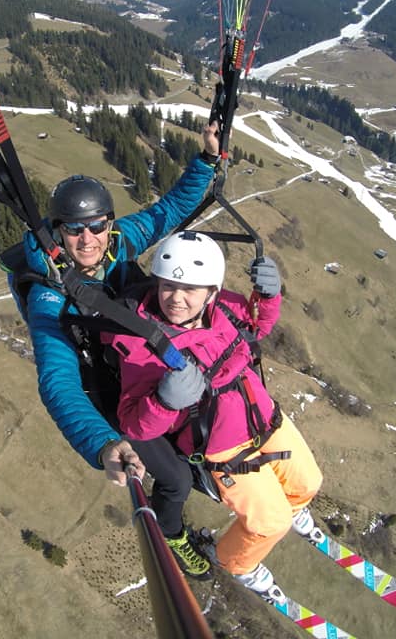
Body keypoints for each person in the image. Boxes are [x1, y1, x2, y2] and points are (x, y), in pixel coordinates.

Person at [15, 123, 222, 577]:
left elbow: (168, 211)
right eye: (74, 230)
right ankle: (173, 534)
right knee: (175, 479)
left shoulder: (118, 243)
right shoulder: (48, 298)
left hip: (142, 370)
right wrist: (104, 443)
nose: (88, 239)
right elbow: (58, 383)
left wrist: (207, 160)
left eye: (96, 226)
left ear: (109, 224)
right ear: (57, 232)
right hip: (113, 398)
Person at [107, 231, 324, 600]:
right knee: (270, 523)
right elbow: (132, 423)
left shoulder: (223, 308)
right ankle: (236, 562)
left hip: (263, 417)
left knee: (308, 484)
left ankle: (292, 503)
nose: (176, 298)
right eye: (168, 286)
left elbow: (256, 325)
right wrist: (164, 401)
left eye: (190, 289)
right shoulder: (141, 343)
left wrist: (268, 297)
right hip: (224, 449)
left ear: (211, 292)